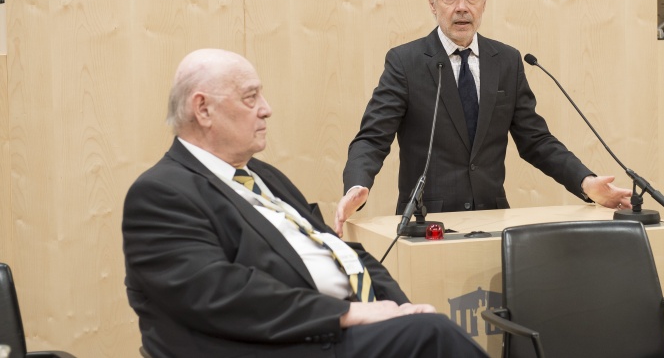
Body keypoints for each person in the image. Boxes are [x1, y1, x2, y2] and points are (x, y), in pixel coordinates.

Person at [122, 49, 488, 358]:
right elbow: (219, 293)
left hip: (328, 331)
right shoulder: (161, 193)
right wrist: (348, 313)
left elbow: (341, 250)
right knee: (432, 336)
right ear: (202, 109)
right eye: (251, 98)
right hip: (276, 343)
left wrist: (398, 306)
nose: (266, 109)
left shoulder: (262, 174)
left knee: (422, 325)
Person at [335, 0, 632, 236]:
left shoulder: (506, 61)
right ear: (432, 3)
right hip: (427, 225)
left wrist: (585, 181)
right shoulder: (406, 62)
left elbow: (537, 141)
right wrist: (356, 186)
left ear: (484, 3)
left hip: (493, 219)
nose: (462, 7)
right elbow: (372, 139)